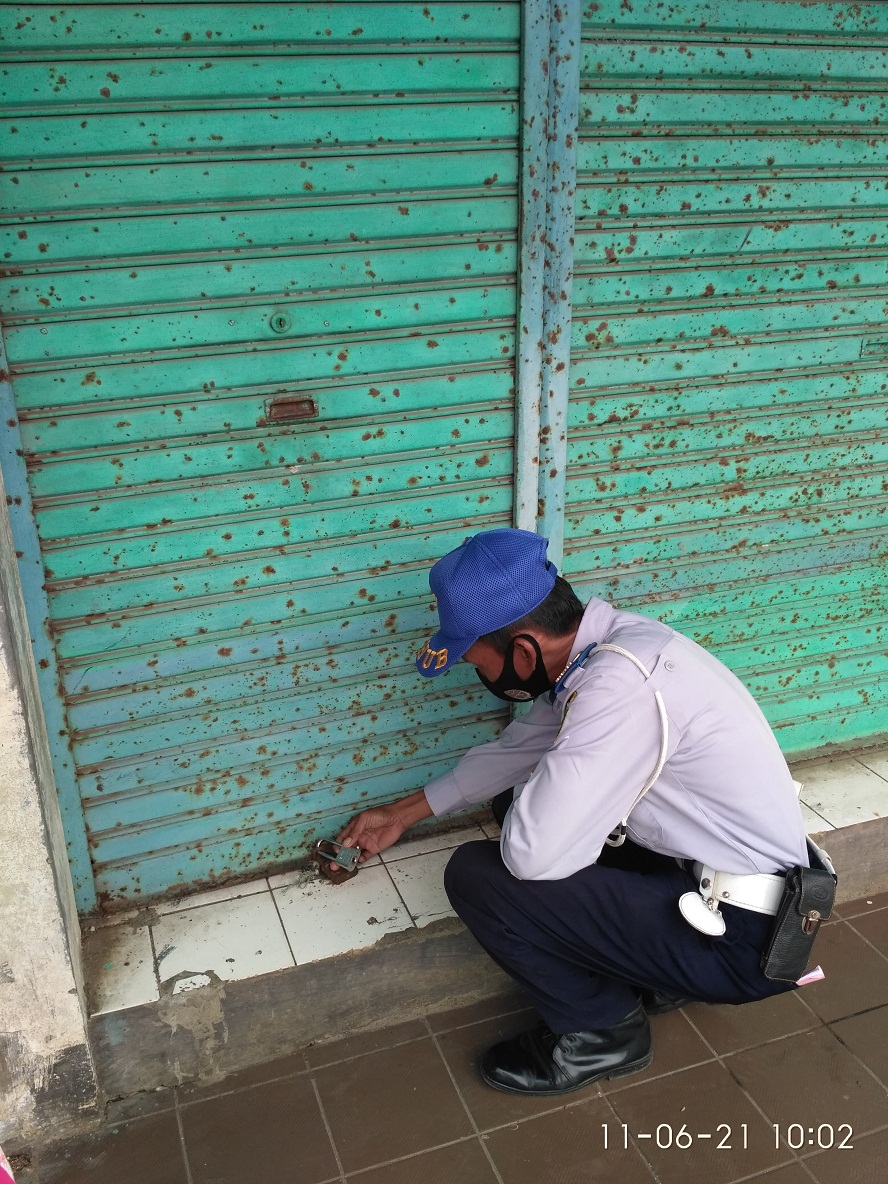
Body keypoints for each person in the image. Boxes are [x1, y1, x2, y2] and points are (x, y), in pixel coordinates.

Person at [337, 528, 812, 1097]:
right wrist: (402, 814)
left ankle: (602, 1030)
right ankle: (655, 972)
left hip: (742, 939)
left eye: (474, 661)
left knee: (482, 876)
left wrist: (552, 805)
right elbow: (519, 750)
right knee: (518, 799)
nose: (476, 675)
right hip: (732, 885)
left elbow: (533, 857)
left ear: (523, 651)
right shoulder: (611, 648)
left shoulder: (621, 687)